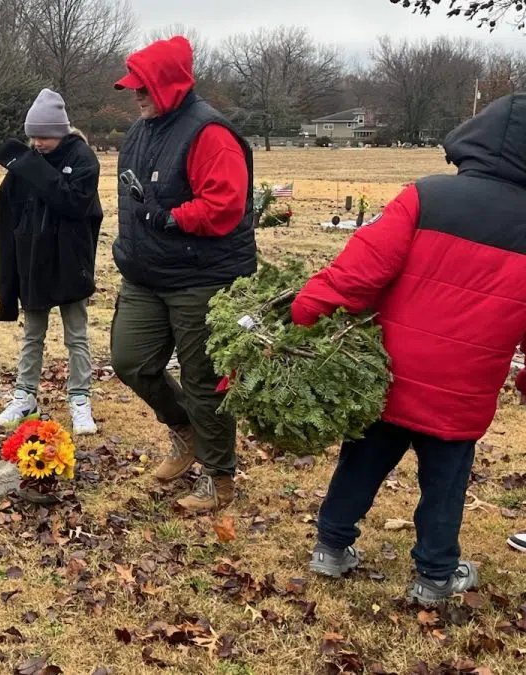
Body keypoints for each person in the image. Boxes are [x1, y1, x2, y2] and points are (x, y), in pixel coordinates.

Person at [293, 93, 526, 605]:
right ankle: (435, 577)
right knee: (445, 483)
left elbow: (356, 274)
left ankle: (331, 548)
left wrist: (301, 313)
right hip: (463, 389)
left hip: (391, 372)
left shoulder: (425, 196)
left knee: (362, 460)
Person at [109, 35, 256, 513]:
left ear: (169, 85)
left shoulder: (209, 133)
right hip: (146, 275)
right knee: (131, 361)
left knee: (203, 379)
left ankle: (219, 477)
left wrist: (173, 217)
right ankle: (185, 431)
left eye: (143, 88)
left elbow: (225, 206)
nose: (136, 96)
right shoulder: (142, 130)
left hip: (201, 277)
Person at [0, 88, 103, 435]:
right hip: (34, 261)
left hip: (70, 261)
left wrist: (34, 169)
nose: (37, 143)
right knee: (32, 334)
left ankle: (80, 399)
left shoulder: (83, 159)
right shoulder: (25, 165)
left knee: (76, 335)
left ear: (60, 132)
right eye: (33, 137)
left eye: (44, 136)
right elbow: (9, 214)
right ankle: (25, 396)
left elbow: (73, 203)